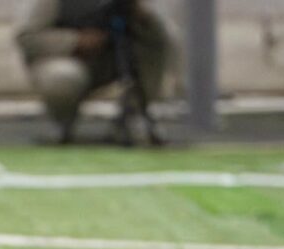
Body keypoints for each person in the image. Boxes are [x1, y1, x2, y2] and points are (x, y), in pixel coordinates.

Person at [16, 0, 169, 144]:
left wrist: (141, 15)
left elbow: (160, 37)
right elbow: (27, 37)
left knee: (163, 40)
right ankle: (62, 124)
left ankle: (134, 115)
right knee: (63, 76)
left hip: (111, 57)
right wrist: (76, 40)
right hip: (66, 60)